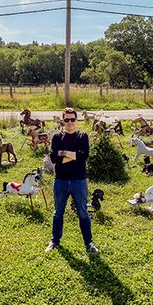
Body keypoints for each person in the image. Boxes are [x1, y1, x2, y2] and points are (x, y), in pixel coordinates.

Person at [46, 108, 98, 254]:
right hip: (61, 181)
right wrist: (73, 155)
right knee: (58, 212)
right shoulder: (57, 137)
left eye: (72, 119)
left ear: (76, 120)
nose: (69, 123)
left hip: (78, 181)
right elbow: (54, 159)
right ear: (63, 121)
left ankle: (89, 243)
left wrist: (63, 153)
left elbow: (84, 156)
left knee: (83, 212)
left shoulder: (83, 136)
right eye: (67, 120)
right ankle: (54, 241)